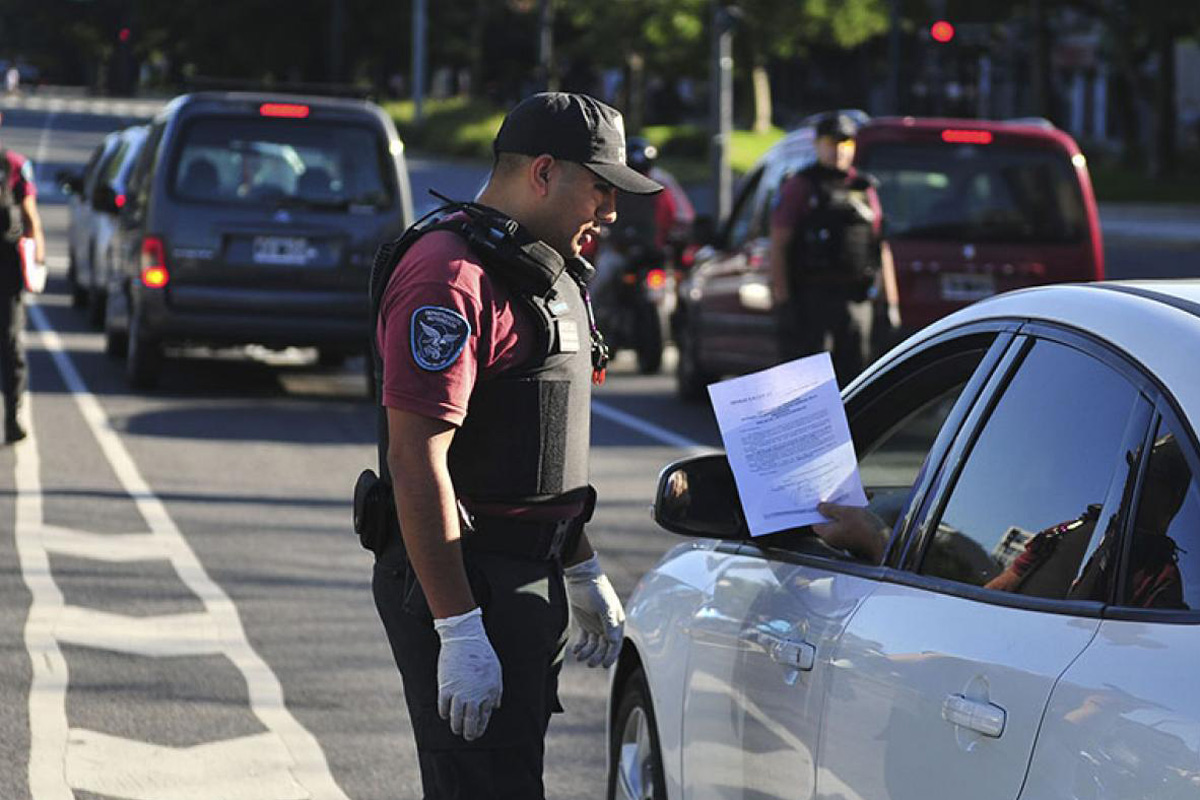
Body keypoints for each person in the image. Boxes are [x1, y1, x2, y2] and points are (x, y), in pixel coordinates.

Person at [368, 92, 662, 799]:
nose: (611, 213)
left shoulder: (542, 268)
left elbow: (533, 444)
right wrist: (459, 628)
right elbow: (417, 459)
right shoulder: (450, 274)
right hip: (467, 581)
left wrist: (580, 563)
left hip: (526, 578)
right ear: (542, 172)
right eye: (601, 189)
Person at [769, 112, 899, 386]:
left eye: (846, 143)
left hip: (855, 299)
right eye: (831, 141)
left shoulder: (863, 188)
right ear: (817, 145)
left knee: (854, 380)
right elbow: (779, 246)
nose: (839, 150)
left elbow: (880, 247)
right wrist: (784, 302)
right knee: (810, 384)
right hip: (811, 298)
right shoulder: (801, 186)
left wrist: (890, 303)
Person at [0, 111, 45, 444]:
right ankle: (12, 417)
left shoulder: (13, 165)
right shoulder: (14, 164)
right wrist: (38, 261)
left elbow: (29, 217)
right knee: (11, 345)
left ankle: (12, 416)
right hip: (8, 271)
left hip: (8, 271)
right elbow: (30, 217)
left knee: (11, 345)